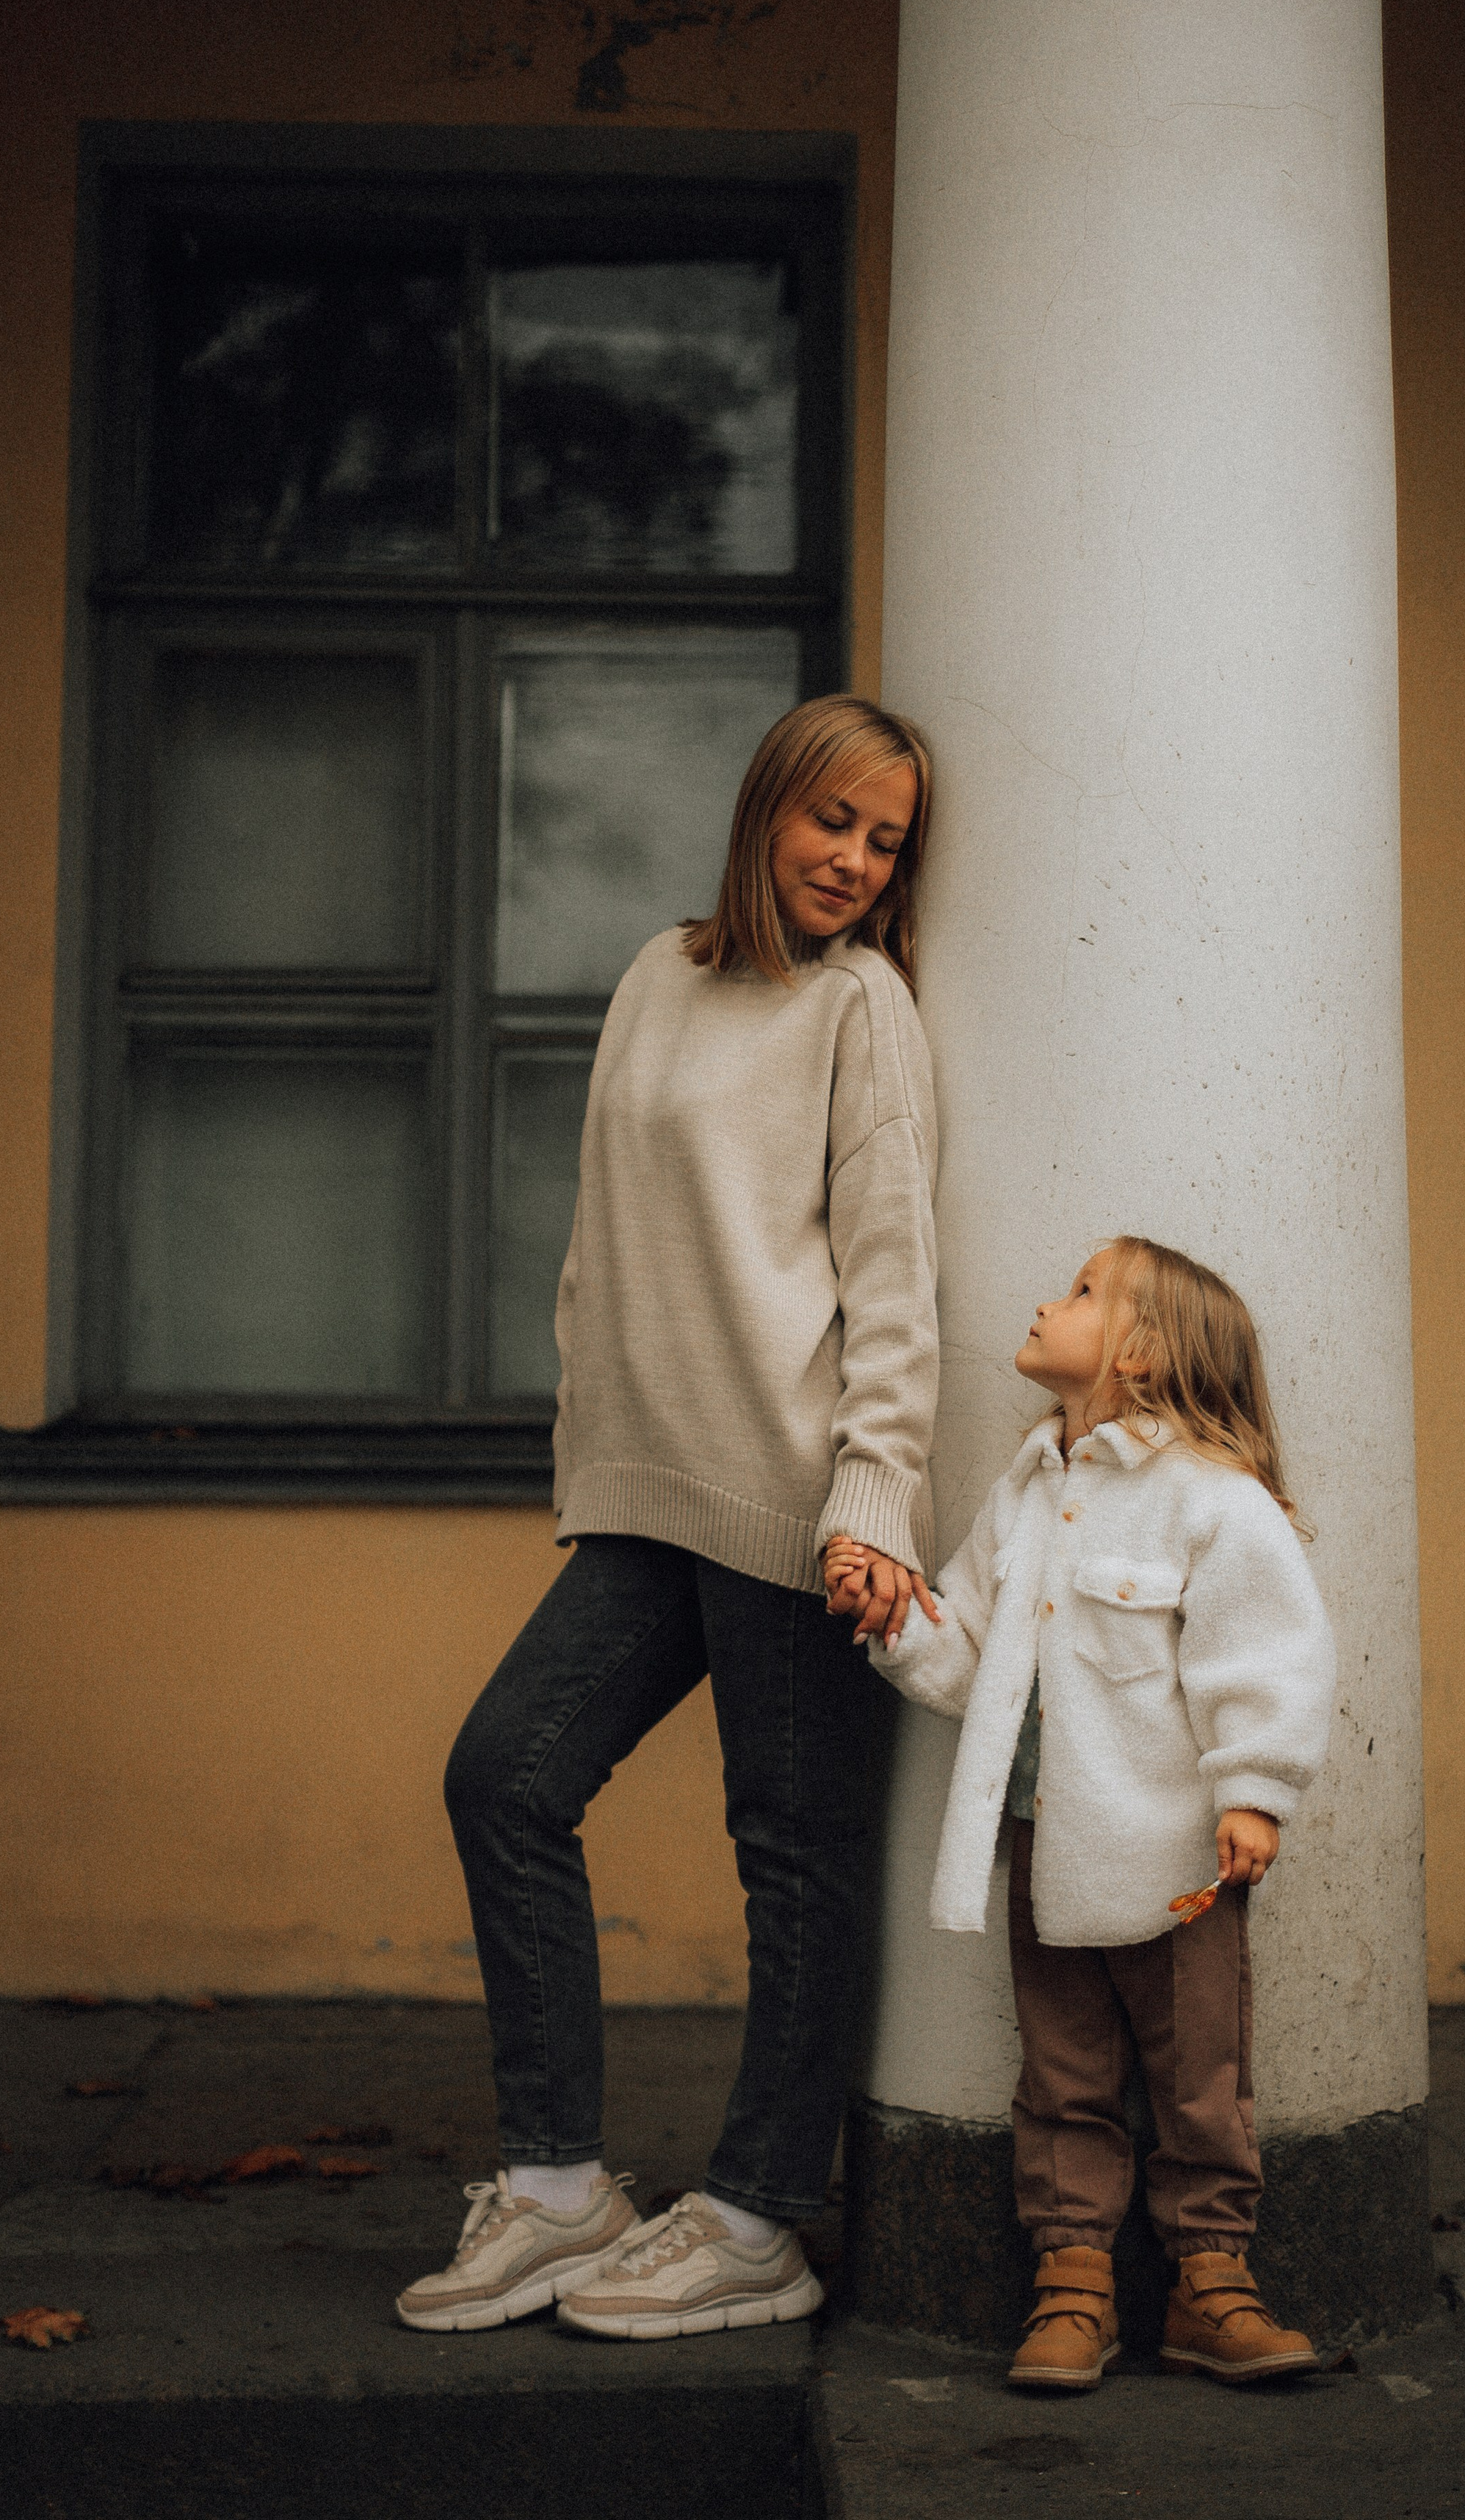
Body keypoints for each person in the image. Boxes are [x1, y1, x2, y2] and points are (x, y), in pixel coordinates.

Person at [397, 695, 941, 2339]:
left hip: (789, 1499)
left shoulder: (863, 1012)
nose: (852, 859)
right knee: (503, 1776)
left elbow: (894, 1282)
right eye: (830, 820)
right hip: (645, 1494)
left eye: (885, 840)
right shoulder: (659, 974)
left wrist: (872, 1494)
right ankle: (560, 2191)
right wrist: (592, 1455)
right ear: (765, 808)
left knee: (792, 1864)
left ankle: (758, 2218)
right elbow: (603, 1243)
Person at [836, 1236, 1336, 2389]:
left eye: (1081, 1294)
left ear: (1145, 1355)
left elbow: (1267, 1655)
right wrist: (900, 1617)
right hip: (1043, 1847)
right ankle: (1073, 2287)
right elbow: (968, 1656)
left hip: (1177, 1862)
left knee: (1200, 2070)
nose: (1047, 1301)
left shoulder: (1209, 1501)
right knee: (1062, 2075)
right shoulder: (1026, 1490)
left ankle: (1213, 2282)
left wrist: (1255, 1794)